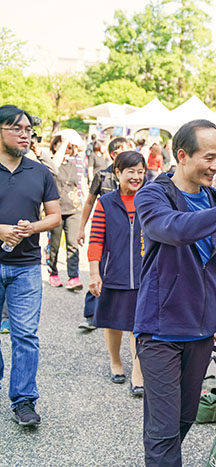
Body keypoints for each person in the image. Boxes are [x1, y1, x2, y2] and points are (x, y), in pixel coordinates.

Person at [134, 119, 216, 466]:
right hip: (160, 330)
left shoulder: (212, 197)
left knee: (184, 418)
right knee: (162, 431)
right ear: (182, 155)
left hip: (201, 329)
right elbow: (175, 230)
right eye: (209, 158)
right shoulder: (153, 195)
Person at [0, 105, 61, 426]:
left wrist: (32, 227)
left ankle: (24, 400)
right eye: (17, 129)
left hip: (25, 265)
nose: (25, 134)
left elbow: (54, 216)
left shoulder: (40, 172)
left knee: (25, 335)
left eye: (28, 130)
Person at [88, 151, 146, 395]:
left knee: (139, 324)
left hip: (144, 272)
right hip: (114, 271)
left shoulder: (150, 199)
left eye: (140, 171)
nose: (136, 177)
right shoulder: (105, 203)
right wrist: (94, 272)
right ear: (117, 173)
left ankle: (138, 371)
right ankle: (115, 361)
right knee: (113, 322)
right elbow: (96, 240)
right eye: (130, 171)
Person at [76, 136, 128, 331]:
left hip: (126, 232)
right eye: (124, 150)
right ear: (113, 154)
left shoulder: (135, 176)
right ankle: (91, 315)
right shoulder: (102, 176)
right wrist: (81, 228)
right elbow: (89, 202)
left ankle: (117, 312)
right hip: (104, 230)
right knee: (98, 268)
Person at [45, 133, 87, 291]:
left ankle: (73, 277)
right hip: (55, 210)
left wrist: (85, 202)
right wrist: (63, 141)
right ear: (55, 146)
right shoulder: (49, 163)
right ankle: (53, 273)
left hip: (74, 209)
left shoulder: (75, 163)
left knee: (73, 243)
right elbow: (54, 166)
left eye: (70, 147)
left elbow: (81, 183)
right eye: (64, 146)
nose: (67, 149)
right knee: (54, 245)